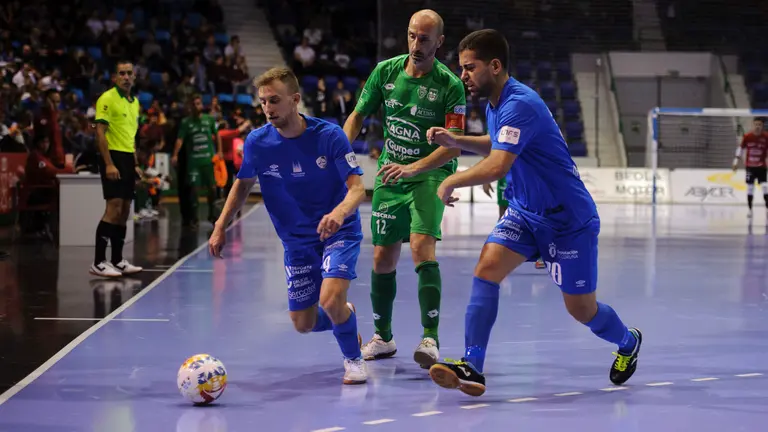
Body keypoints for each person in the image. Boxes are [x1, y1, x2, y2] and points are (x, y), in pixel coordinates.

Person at [425, 30, 641, 397]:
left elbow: (497, 165)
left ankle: (627, 341)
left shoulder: (520, 103)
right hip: (527, 213)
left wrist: (451, 181)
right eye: (461, 68)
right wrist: (457, 140)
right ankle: (472, 366)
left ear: (494, 66)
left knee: (581, 310)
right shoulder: (496, 104)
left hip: (568, 221)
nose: (463, 75)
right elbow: (497, 143)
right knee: (486, 269)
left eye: (469, 67)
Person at [208, 67, 368, 384]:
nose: (268, 109)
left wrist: (339, 213)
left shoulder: (329, 136)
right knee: (303, 322)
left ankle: (353, 359)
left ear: (295, 100)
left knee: (330, 298)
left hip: (338, 231)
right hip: (296, 241)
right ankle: (344, 317)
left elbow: (358, 189)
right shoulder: (257, 142)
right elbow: (241, 186)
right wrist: (220, 225)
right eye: (264, 102)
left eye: (275, 100)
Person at [342, 9, 466, 368]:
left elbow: (454, 144)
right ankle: (383, 337)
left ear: (439, 42)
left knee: (421, 246)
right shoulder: (386, 72)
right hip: (390, 175)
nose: (416, 44)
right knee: (382, 257)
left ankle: (430, 337)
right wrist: (339, 155)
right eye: (412, 35)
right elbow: (357, 115)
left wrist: (413, 167)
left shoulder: (450, 85)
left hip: (429, 173)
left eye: (424, 38)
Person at [90, 60, 143, 277]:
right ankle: (98, 261)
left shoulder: (135, 102)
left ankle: (118, 260)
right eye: (122, 73)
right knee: (113, 208)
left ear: (135, 77)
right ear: (115, 77)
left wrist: (136, 164)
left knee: (124, 211)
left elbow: (131, 136)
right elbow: (99, 132)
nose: (126, 77)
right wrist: (109, 163)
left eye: (129, 73)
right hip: (112, 156)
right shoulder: (107, 98)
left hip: (128, 158)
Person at [172, 95, 223, 226]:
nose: (196, 106)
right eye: (194, 104)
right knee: (194, 190)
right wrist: (175, 155)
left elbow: (217, 134)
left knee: (212, 188)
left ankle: (212, 214)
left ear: (202, 105)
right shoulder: (186, 122)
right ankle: (194, 218)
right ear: (190, 106)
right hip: (193, 162)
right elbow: (180, 139)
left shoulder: (209, 119)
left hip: (208, 160)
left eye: (198, 103)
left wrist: (219, 151)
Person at [732, 117, 768, 218]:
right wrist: (735, 161)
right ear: (753, 125)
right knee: (750, 188)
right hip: (750, 167)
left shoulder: (766, 137)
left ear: (762, 126)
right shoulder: (747, 137)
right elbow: (740, 149)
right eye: (756, 124)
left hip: (762, 167)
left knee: (765, 188)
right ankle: (750, 210)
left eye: (759, 125)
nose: (757, 126)